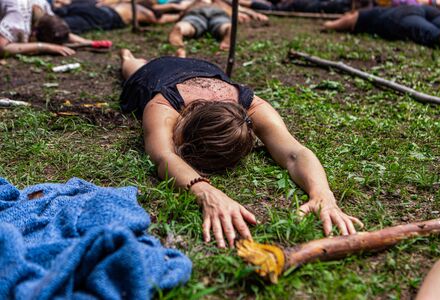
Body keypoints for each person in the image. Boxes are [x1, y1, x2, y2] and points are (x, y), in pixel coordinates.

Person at [118, 49, 364, 248]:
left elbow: (295, 152)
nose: (176, 142)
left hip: (204, 67)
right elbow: (163, 156)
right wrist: (207, 192)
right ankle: (127, 56)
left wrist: (322, 194)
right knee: (132, 67)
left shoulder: (250, 105)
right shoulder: (163, 103)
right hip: (153, 73)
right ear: (185, 117)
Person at [168, 0, 268, 57]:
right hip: (202, 12)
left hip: (210, 12)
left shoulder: (221, 1)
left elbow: (240, 8)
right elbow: (180, 8)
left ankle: (225, 45)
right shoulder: (194, 1)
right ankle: (180, 48)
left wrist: (255, 14)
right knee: (178, 28)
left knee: (229, 27)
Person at [323, 5, 440, 48]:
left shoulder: (361, 15)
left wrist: (330, 25)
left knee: (434, 35)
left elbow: (332, 25)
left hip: (400, 17)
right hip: (425, 10)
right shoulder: (374, 11)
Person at [0, 0, 89, 56]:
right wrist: (45, 47)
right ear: (35, 34)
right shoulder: (18, 19)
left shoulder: (43, 7)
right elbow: (2, 48)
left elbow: (57, 30)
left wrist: (87, 42)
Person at [54, 2, 180, 34]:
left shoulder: (125, 3)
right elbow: (161, 19)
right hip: (108, 16)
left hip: (94, 7)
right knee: (63, 25)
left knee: (56, 13)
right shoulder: (147, 13)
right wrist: (179, 14)